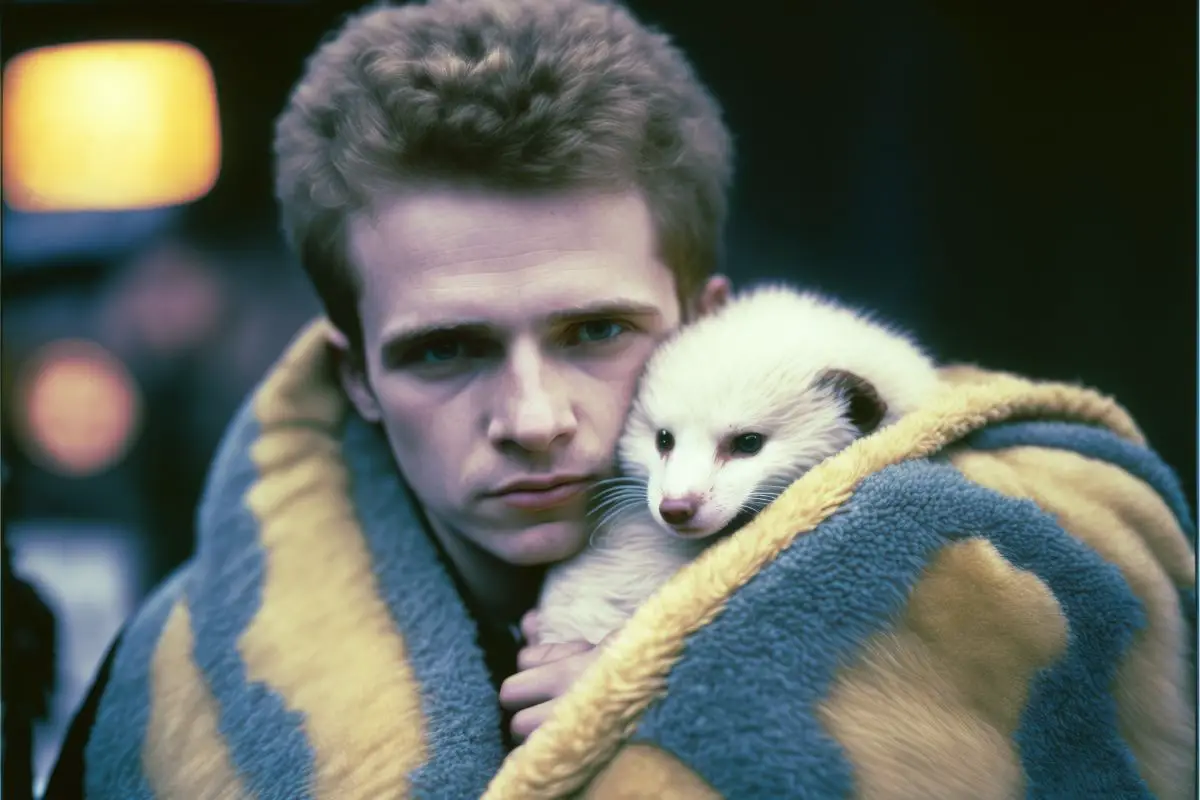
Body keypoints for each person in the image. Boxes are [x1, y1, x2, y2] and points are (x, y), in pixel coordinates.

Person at [48, 0, 1195, 798]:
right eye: (446, 350)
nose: (535, 413)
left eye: (594, 331)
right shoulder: (176, 676)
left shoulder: (1018, 571)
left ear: (705, 322)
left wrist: (687, 709)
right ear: (359, 378)